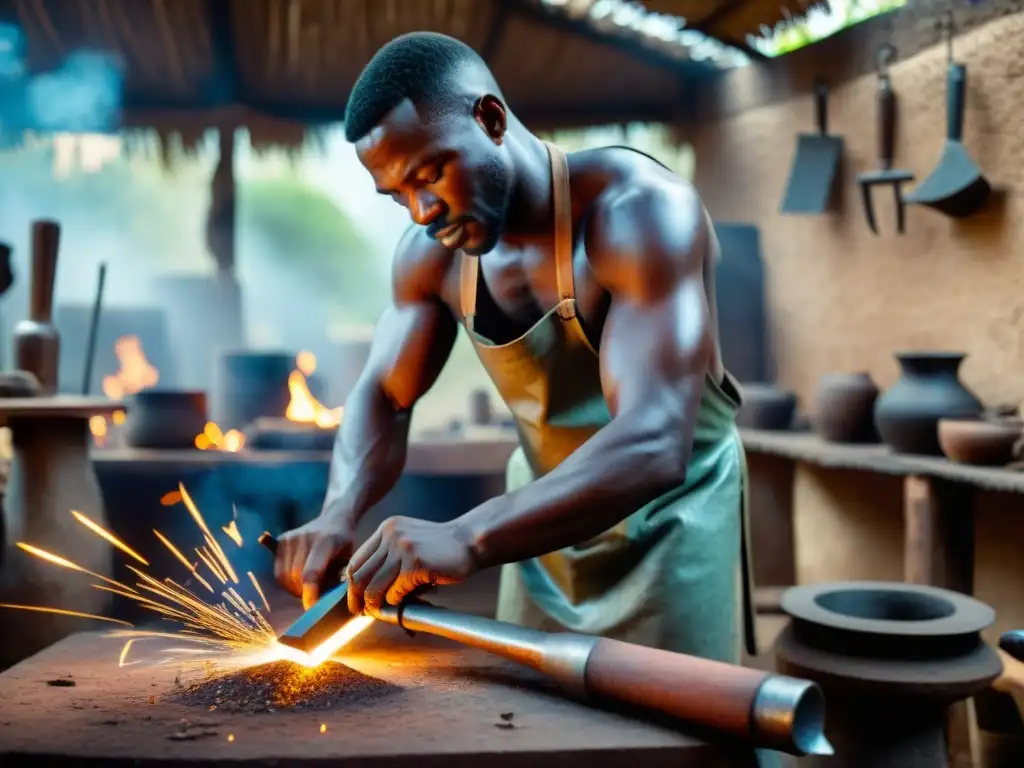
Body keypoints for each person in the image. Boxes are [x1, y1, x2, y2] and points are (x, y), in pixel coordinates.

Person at [274, 31, 756, 664]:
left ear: (491, 119)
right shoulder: (430, 257)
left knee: (687, 742)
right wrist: (338, 510)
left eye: (429, 174)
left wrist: (468, 535)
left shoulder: (638, 213)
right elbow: (384, 397)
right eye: (397, 195)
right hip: (537, 531)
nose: (420, 211)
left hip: (673, 522)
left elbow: (655, 440)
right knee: (528, 726)